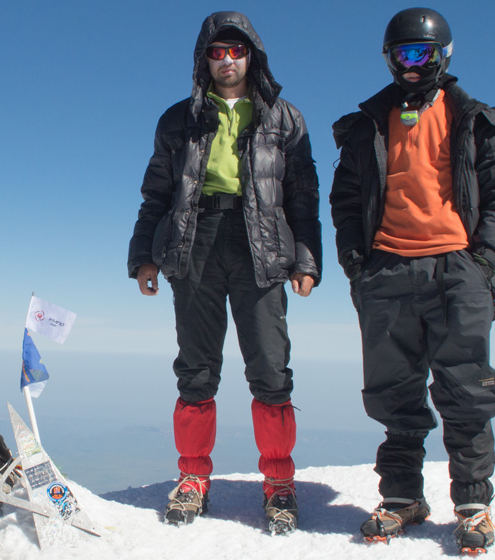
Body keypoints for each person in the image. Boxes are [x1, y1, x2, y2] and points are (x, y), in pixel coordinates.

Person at [329, 7, 495, 554]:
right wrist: (357, 261)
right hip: (386, 271)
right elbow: (346, 198)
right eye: (403, 54)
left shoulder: (477, 120)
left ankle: (473, 506)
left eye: (423, 53)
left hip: (456, 270)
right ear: (388, 58)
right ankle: (402, 498)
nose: (412, 65)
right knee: (394, 394)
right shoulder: (368, 124)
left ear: (444, 54)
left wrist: (482, 263)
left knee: (465, 391)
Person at [126, 10, 321, 535]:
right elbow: (156, 193)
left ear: (252, 56)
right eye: (217, 51)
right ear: (204, 59)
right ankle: (193, 477)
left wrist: (307, 261)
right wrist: (143, 255)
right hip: (195, 242)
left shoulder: (284, 118)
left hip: (261, 244)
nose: (227, 59)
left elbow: (303, 195)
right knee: (195, 368)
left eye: (237, 50)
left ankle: (279, 483)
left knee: (271, 370)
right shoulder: (179, 119)